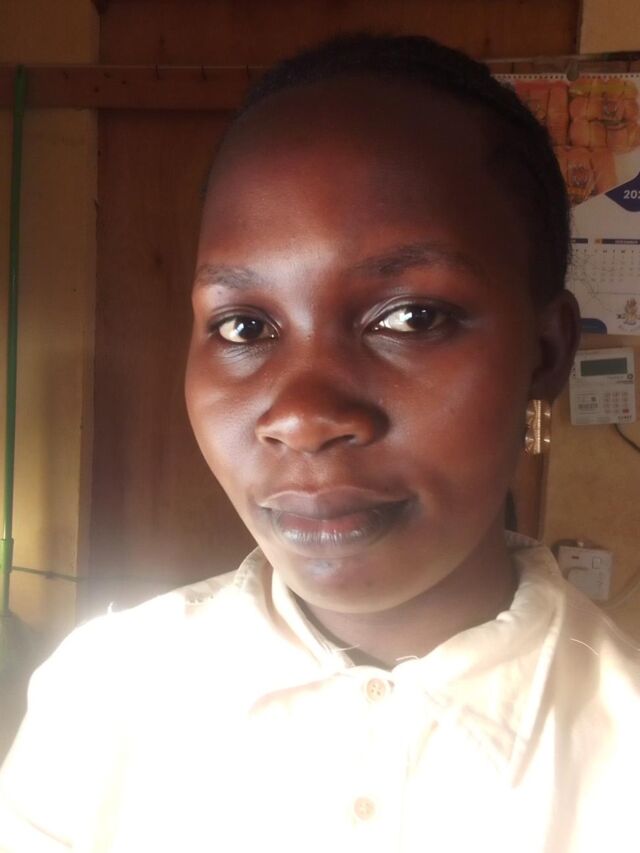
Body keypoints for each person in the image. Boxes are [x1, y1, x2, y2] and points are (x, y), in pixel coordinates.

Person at [1, 33, 638, 853]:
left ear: (545, 354)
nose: (302, 415)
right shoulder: (102, 701)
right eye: (244, 326)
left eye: (411, 317)